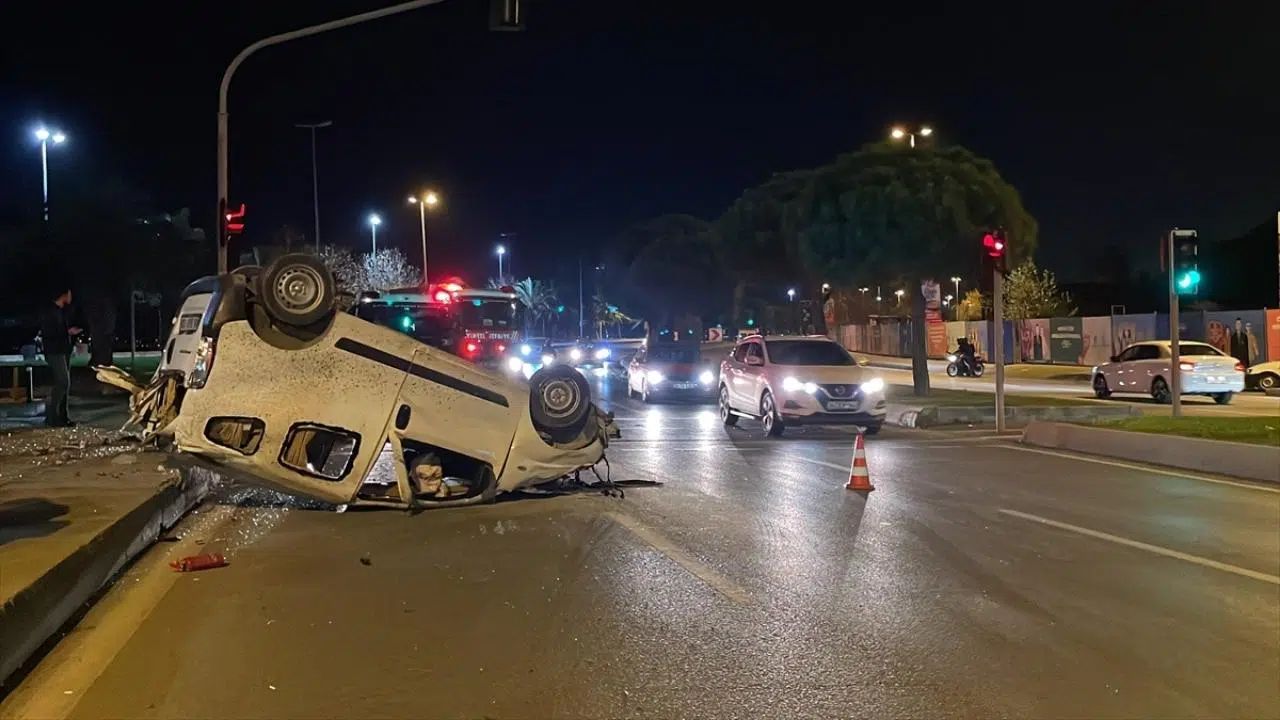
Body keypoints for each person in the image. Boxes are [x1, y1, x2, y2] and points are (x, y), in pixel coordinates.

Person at [39, 287, 82, 427]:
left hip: (63, 350)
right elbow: (50, 332)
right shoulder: (50, 312)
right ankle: (53, 416)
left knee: (65, 385)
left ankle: (63, 416)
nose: (71, 296)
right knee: (62, 382)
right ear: (64, 294)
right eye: (69, 293)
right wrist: (67, 332)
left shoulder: (62, 311)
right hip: (54, 351)